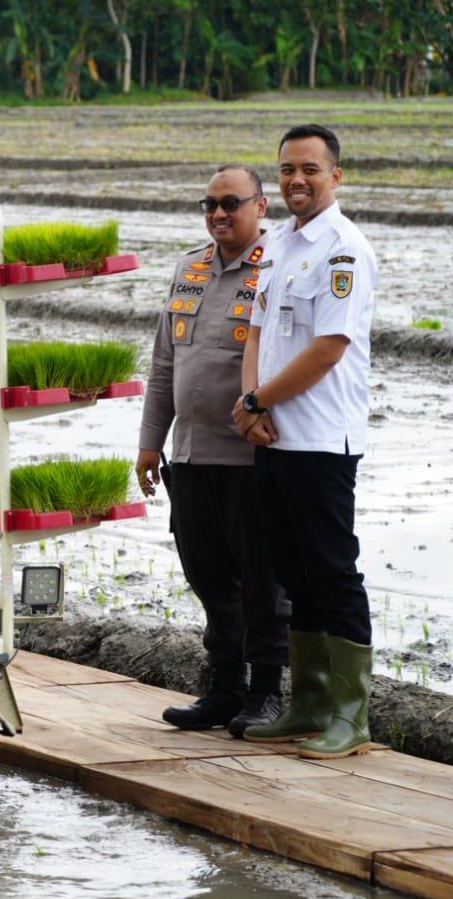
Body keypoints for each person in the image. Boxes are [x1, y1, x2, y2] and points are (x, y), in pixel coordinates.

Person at [237, 125, 377, 760]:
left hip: (321, 438)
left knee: (331, 572)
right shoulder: (279, 243)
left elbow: (327, 349)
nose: (297, 180)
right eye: (288, 169)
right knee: (293, 573)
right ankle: (309, 704)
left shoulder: (343, 250)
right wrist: (251, 404)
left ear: (336, 176)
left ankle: (350, 715)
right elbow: (257, 330)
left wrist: (257, 402)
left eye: (310, 170)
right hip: (274, 437)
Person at [138, 164, 289, 737]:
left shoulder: (277, 267)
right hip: (191, 456)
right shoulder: (189, 269)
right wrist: (150, 442)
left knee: (262, 582)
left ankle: (267, 693)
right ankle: (224, 689)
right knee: (207, 576)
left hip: (251, 458)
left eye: (231, 203)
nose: (219, 214)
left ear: (260, 207)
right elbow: (164, 364)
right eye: (210, 205)